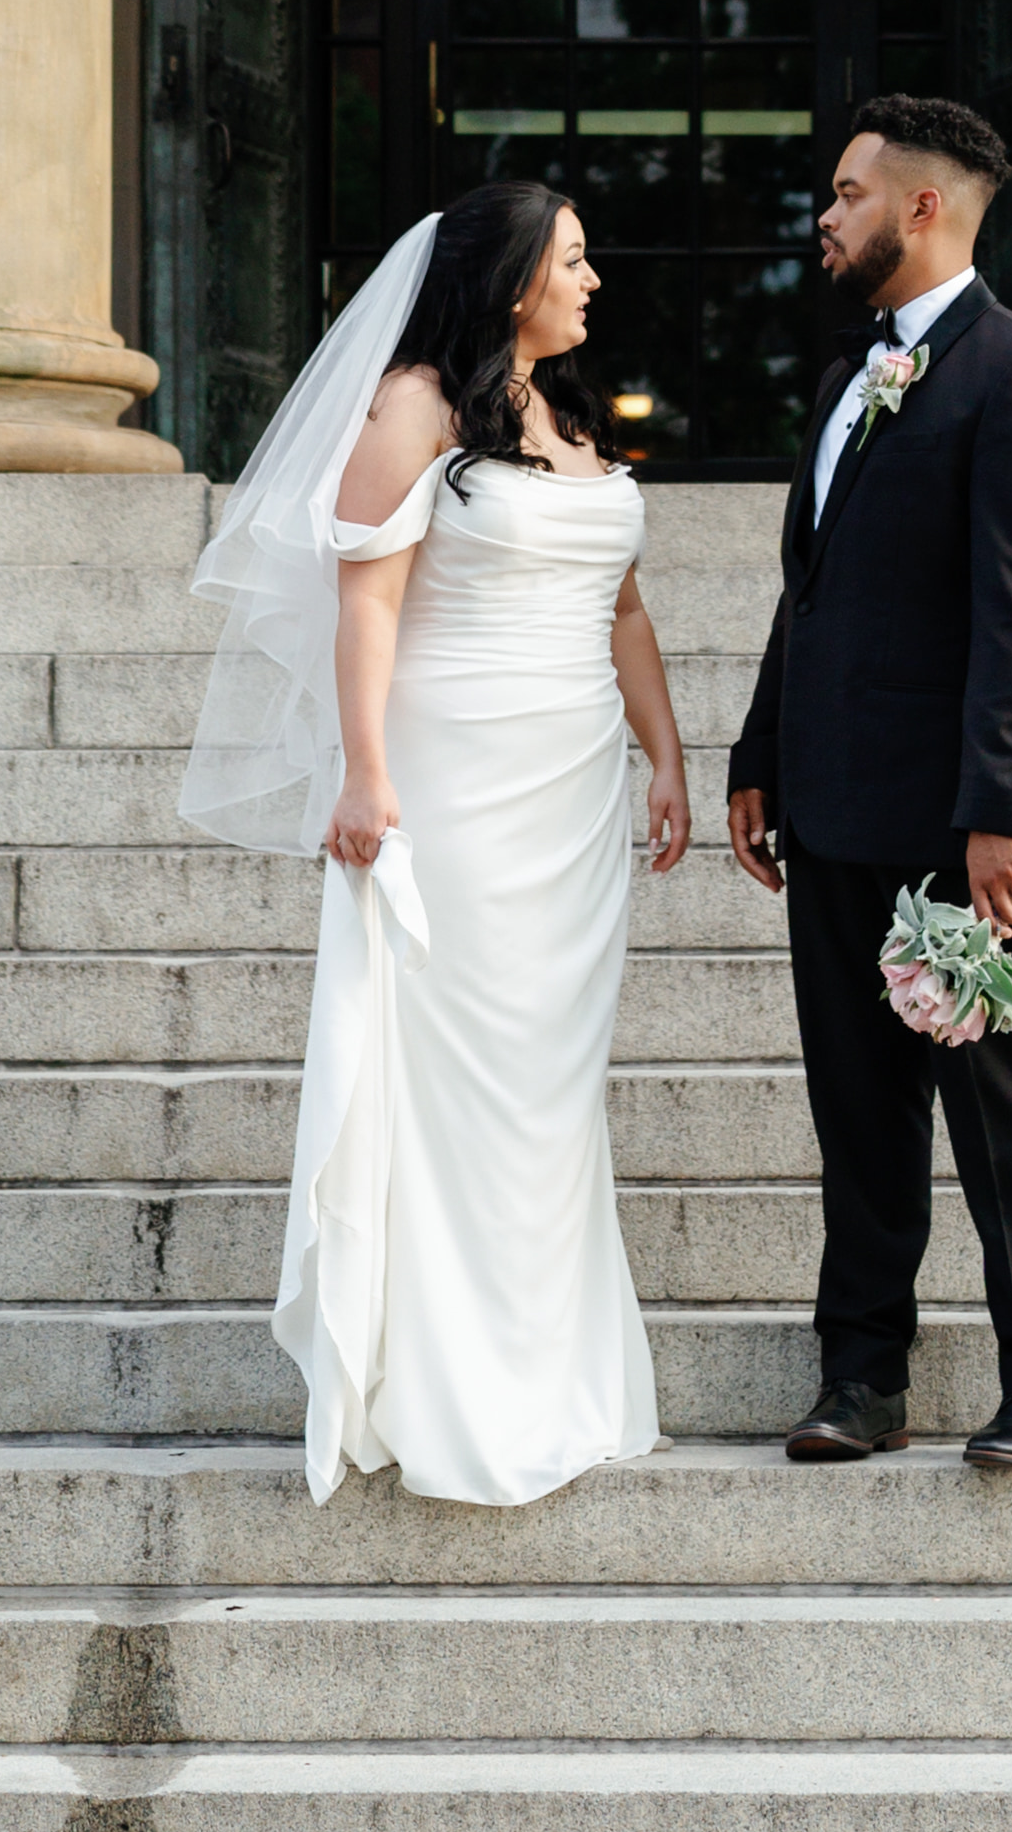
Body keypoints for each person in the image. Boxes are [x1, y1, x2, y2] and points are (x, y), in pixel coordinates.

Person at [178, 178, 691, 1507]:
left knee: (550, 1092)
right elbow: (369, 601)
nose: (592, 283)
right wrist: (365, 772)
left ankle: (559, 1375)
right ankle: (450, 1385)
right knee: (465, 1080)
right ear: (512, 277)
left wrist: (671, 755)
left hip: (574, 797)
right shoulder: (413, 405)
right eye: (572, 261)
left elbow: (623, 610)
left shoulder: (568, 412)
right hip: (458, 785)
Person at [727, 98, 1012, 1473]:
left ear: (922, 208)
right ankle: (861, 1375)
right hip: (830, 805)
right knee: (858, 1108)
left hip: (964, 821)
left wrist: (1006, 809)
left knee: (1001, 1103)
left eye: (845, 194)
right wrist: (761, 758)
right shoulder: (847, 379)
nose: (825, 217)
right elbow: (806, 594)